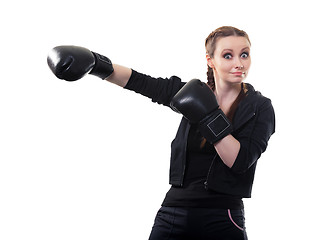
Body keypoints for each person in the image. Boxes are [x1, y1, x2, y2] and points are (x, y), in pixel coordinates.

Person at [47, 26, 275, 240]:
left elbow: (239, 161)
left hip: (223, 216)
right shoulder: (189, 92)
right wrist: (96, 64)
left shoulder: (259, 107)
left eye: (244, 54)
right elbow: (142, 83)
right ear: (210, 60)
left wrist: (208, 115)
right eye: (228, 55)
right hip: (173, 211)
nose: (239, 63)